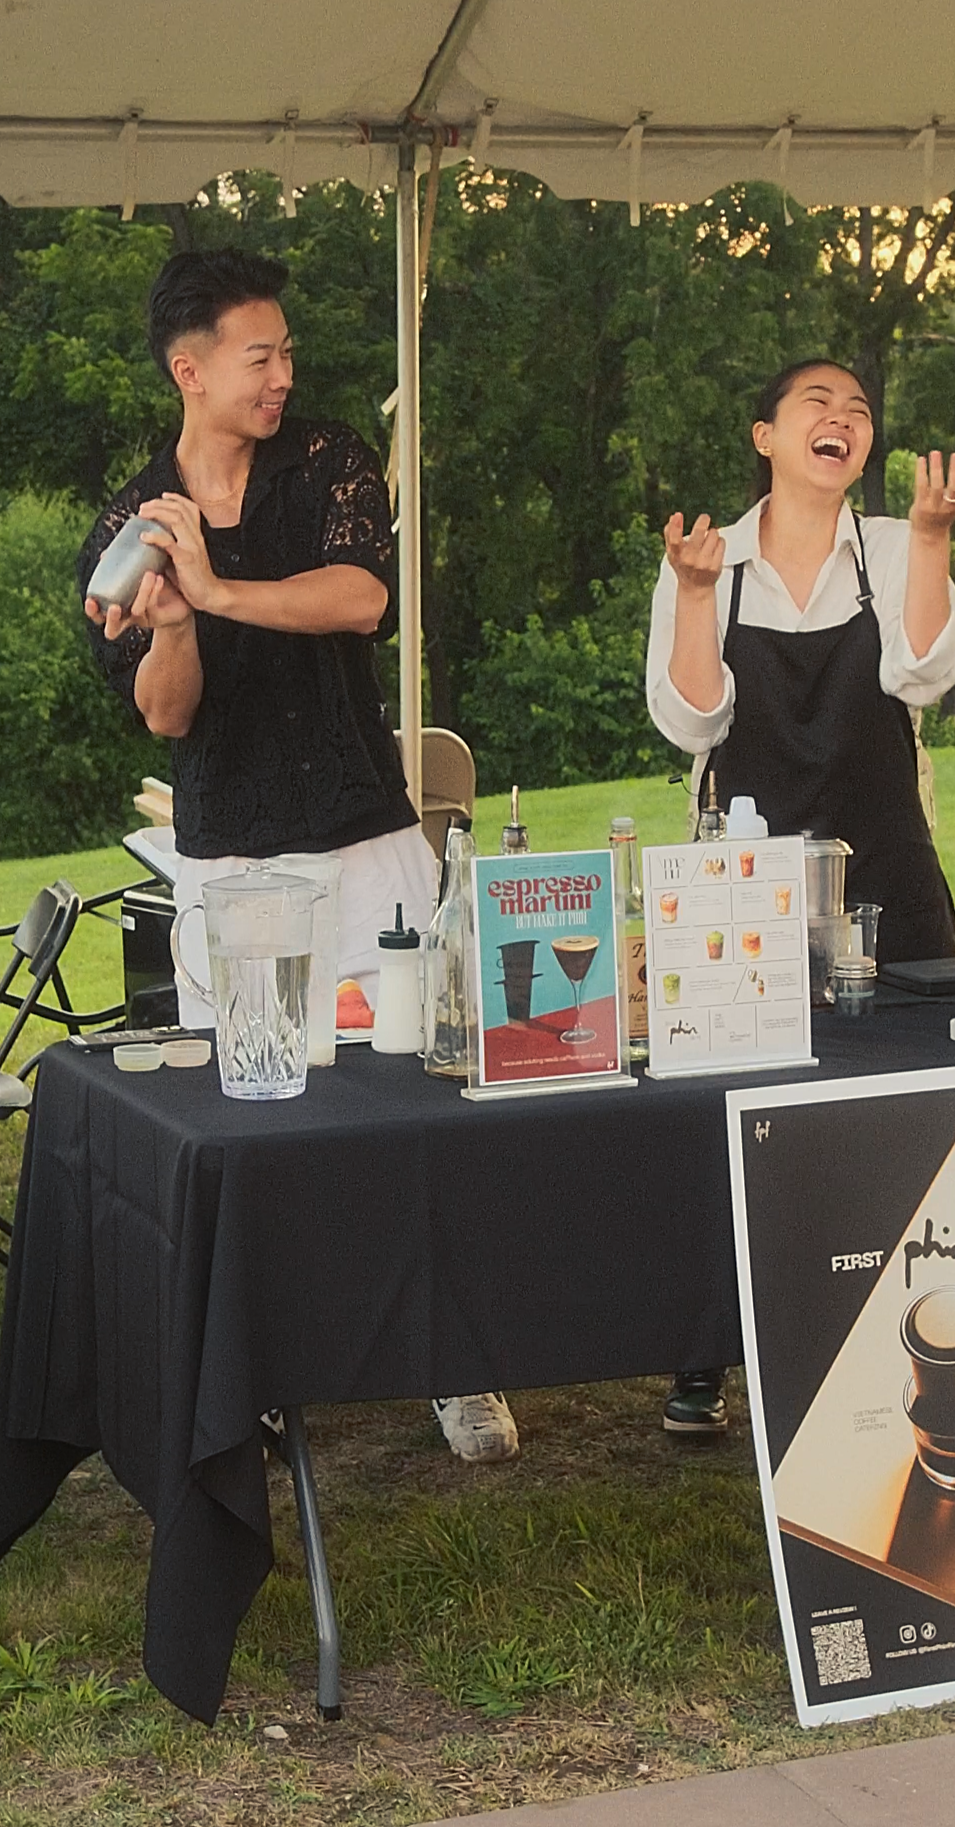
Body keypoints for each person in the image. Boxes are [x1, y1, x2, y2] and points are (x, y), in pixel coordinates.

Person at [79, 249, 518, 1467]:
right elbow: (166, 715)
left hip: (368, 839)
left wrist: (214, 587)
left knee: (415, 1100)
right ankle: (263, 1374)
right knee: (256, 1127)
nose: (283, 375)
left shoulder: (327, 459)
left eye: (285, 354)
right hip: (232, 868)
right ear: (191, 368)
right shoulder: (128, 524)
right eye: (258, 356)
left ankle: (456, 1361)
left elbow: (357, 598)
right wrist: (175, 624)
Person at [645, 358, 955, 1433]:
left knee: (909, 1099)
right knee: (732, 1115)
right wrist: (696, 597)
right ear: (765, 436)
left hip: (886, 871)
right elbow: (691, 722)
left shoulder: (889, 548)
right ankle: (703, 1357)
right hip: (743, 891)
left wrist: (931, 537)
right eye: (816, 406)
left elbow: (927, 670)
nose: (842, 420)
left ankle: (913, 1324)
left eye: (857, 410)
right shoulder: (711, 561)